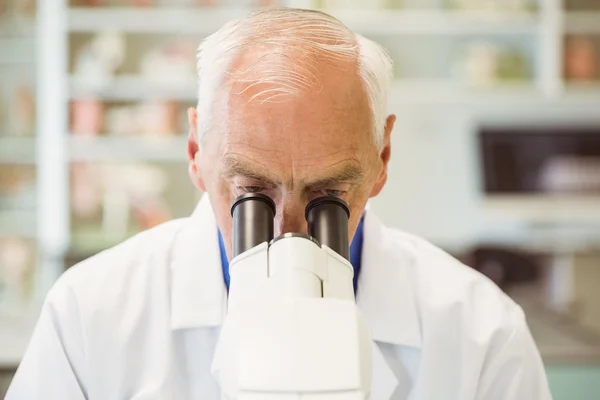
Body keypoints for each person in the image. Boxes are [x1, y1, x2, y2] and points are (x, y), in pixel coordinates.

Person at [7, 7, 552, 400]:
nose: (289, 236)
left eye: (328, 198)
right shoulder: (90, 315)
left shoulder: (482, 334)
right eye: (252, 196)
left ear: (382, 157)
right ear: (196, 150)